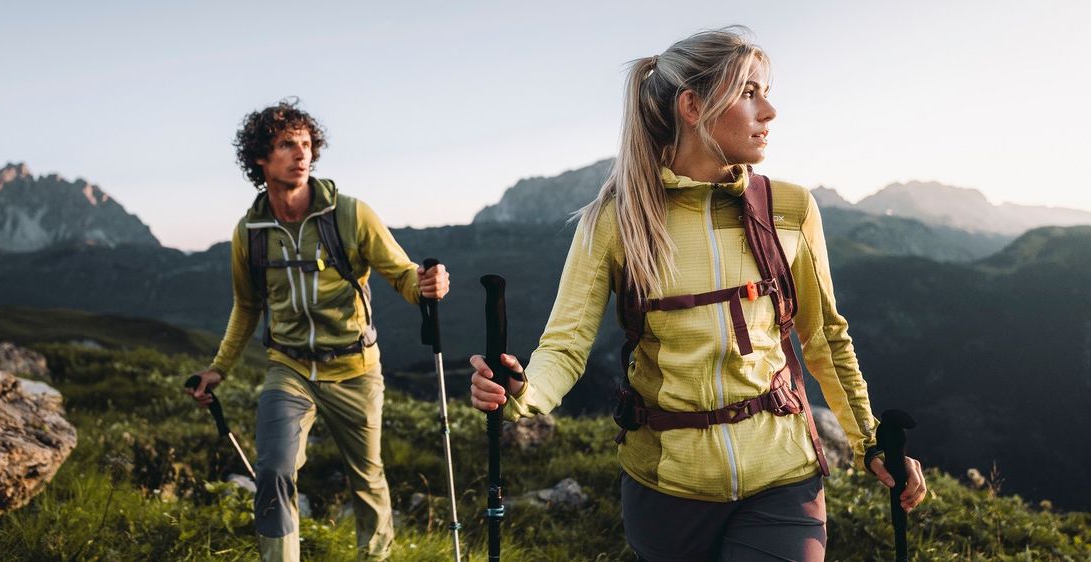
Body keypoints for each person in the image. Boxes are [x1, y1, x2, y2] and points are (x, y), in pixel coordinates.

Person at [468, 27, 927, 561]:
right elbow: (565, 348)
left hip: (782, 477)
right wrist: (521, 392)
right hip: (664, 488)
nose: (770, 110)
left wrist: (871, 441)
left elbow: (824, 338)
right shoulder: (616, 221)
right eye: (749, 92)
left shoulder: (791, 209)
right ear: (693, 106)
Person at [191, 100, 449, 562]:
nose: (301, 154)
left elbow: (403, 275)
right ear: (260, 158)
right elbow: (247, 306)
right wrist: (217, 369)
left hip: (355, 369)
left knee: (367, 478)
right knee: (273, 469)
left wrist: (426, 285)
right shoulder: (249, 232)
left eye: (307, 144)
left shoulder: (351, 215)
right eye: (287, 144)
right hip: (288, 368)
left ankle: (375, 557)